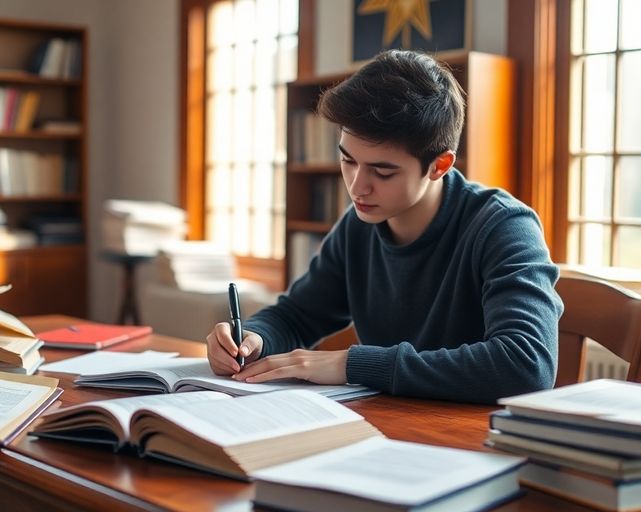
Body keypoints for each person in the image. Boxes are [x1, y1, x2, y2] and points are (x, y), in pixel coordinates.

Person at [205, 49, 563, 404]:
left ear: (439, 165)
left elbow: (526, 365)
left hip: (473, 439)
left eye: (383, 171)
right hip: (386, 427)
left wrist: (353, 364)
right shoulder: (358, 226)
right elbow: (298, 315)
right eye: (348, 160)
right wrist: (253, 339)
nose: (357, 186)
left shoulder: (504, 226)